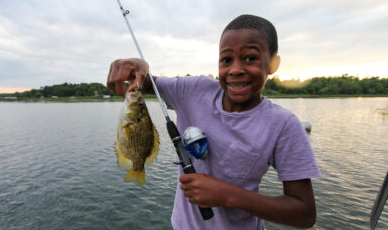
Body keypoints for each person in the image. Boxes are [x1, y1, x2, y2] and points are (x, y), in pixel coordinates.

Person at [107, 14, 320, 230]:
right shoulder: (194, 91)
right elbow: (143, 83)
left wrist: (227, 195)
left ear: (273, 64)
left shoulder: (283, 125)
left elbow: (304, 214)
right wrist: (137, 65)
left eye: (250, 58)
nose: (235, 69)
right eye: (226, 60)